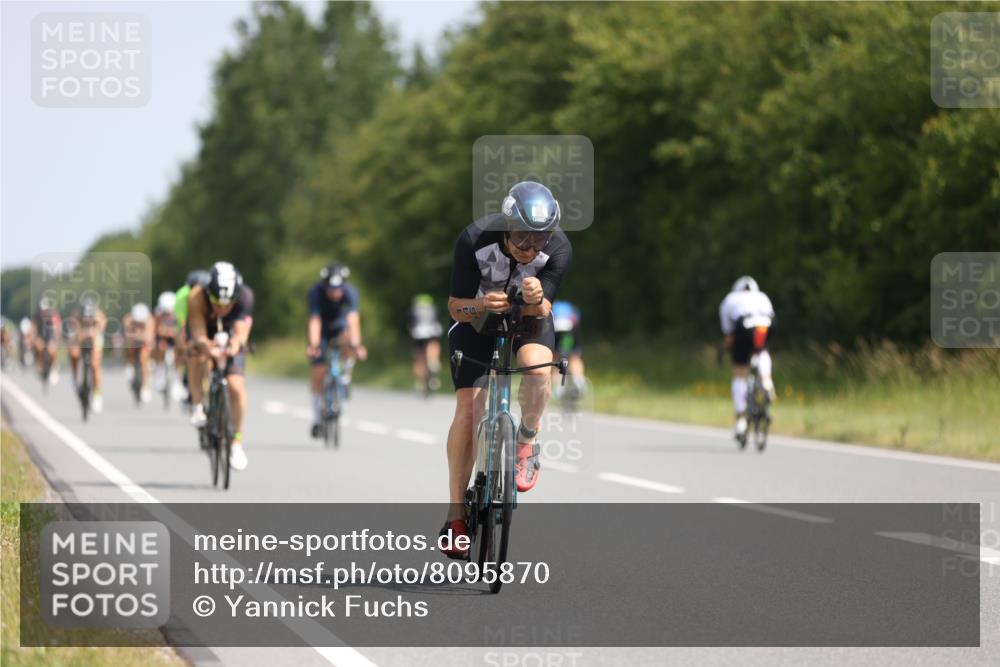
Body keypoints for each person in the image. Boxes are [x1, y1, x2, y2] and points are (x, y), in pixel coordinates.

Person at [440, 180, 572, 557]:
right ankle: (456, 516)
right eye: (521, 237)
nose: (529, 247)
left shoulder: (559, 248)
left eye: (539, 239)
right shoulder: (474, 238)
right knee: (469, 410)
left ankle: (527, 441)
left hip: (528, 319)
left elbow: (545, 309)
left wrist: (537, 298)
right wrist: (483, 305)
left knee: (537, 370)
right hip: (476, 322)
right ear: (506, 226)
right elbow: (455, 307)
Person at [187, 261, 254, 471]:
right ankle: (197, 404)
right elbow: (197, 330)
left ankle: (237, 443)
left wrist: (236, 344)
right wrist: (206, 346)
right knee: (196, 357)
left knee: (236, 386)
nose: (222, 308)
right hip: (205, 329)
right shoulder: (196, 296)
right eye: (216, 303)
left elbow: (242, 331)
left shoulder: (245, 297)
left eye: (227, 304)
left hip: (231, 330)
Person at [306, 262, 367, 437]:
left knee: (348, 340)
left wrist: (357, 345)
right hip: (322, 329)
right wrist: (314, 345)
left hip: (340, 326)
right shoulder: (315, 292)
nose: (335, 293)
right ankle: (317, 419)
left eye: (338, 289)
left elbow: (353, 320)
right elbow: (315, 321)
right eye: (331, 289)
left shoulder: (351, 292)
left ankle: (345, 376)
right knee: (318, 372)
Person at [719, 276, 775, 441]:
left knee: (740, 372)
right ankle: (766, 380)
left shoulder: (729, 299)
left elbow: (729, 335)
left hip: (744, 324)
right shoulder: (762, 296)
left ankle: (740, 420)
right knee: (762, 351)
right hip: (766, 324)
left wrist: (723, 350)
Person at [174, 269, 211, 404]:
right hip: (187, 322)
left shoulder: (209, 293)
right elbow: (183, 323)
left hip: (205, 321)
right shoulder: (182, 296)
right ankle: (186, 377)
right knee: (188, 349)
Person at [66, 296, 107, 413]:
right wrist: (79, 335)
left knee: (95, 364)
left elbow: (101, 328)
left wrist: (93, 332)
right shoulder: (76, 316)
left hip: (95, 338)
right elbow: (72, 332)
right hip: (80, 338)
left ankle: (97, 395)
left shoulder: (99, 315)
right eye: (85, 317)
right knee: (73, 353)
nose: (87, 319)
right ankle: (74, 376)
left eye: (89, 317)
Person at [551, 300, 586, 401]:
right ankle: (578, 381)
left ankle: (559, 387)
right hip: (571, 329)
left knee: (556, 359)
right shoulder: (571, 309)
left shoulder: (553, 306)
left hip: (560, 328)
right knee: (574, 356)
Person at [409, 293, 443, 393]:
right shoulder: (434, 308)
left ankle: (420, 382)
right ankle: (433, 361)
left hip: (417, 333)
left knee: (418, 357)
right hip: (432, 331)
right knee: (433, 343)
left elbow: (410, 324)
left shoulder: (413, 310)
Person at [153, 290, 183, 400]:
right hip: (163, 338)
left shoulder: (178, 313)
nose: (168, 314)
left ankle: (178, 378)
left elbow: (181, 329)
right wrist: (164, 332)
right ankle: (160, 370)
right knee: (160, 346)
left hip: (175, 338)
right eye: (165, 312)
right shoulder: (158, 314)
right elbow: (156, 329)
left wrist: (174, 333)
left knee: (179, 350)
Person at [122, 302, 154, 402]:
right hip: (133, 342)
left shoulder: (150, 320)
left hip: (144, 342)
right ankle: (129, 365)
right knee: (127, 347)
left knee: (144, 359)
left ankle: (145, 386)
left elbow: (149, 337)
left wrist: (139, 336)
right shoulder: (128, 319)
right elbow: (127, 335)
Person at [32, 296, 62, 385]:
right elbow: (33, 327)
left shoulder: (53, 314)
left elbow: (57, 327)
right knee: (38, 347)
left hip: (51, 335)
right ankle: (39, 366)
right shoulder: (37, 315)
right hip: (40, 335)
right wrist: (34, 338)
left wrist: (56, 339)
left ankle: (53, 367)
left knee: (52, 351)